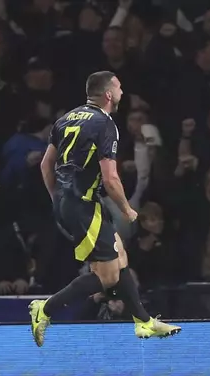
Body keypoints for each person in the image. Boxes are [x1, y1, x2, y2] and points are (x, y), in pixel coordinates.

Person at [28, 71, 181, 347]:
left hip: (73, 202)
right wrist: (127, 209)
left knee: (120, 256)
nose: (122, 91)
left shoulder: (66, 118)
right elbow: (110, 178)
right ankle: (45, 308)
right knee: (107, 276)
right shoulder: (105, 123)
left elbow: (45, 165)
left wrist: (57, 199)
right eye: (119, 87)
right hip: (83, 204)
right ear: (108, 94)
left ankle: (143, 321)